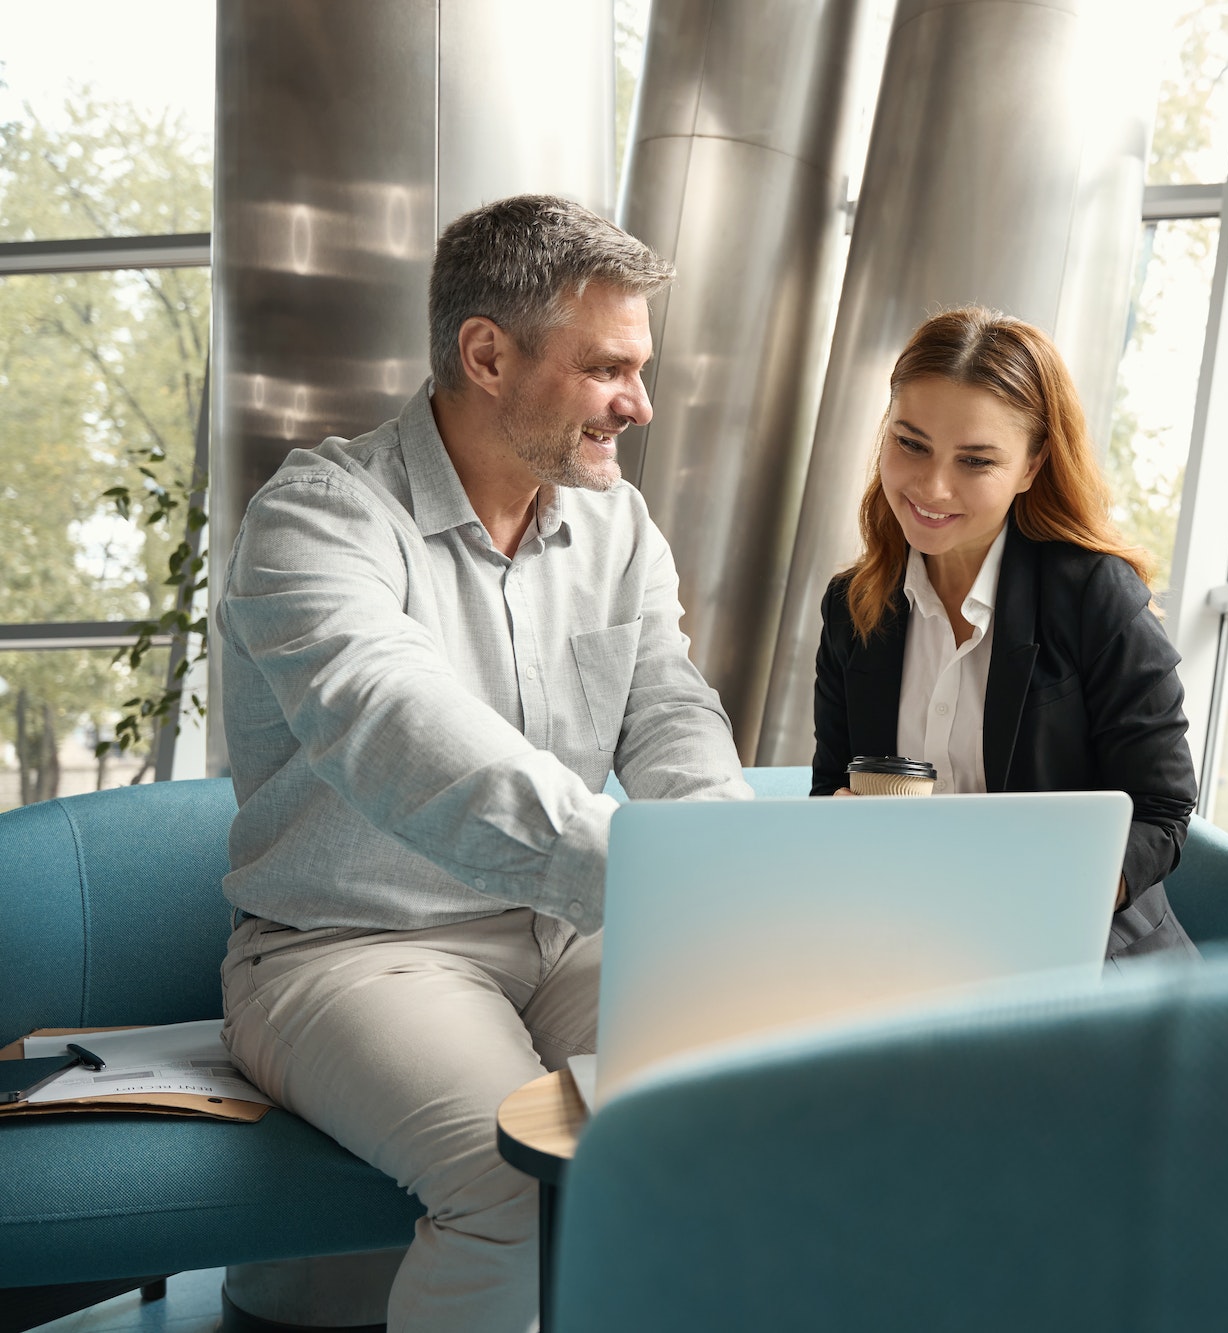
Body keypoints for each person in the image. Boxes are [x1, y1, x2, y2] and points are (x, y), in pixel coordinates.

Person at [214, 195, 750, 1331]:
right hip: (354, 951)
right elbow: (403, 732)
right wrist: (666, 880)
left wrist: (725, 857)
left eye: (639, 368)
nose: (638, 404)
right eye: (607, 366)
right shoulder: (319, 520)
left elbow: (669, 715)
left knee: (738, 1117)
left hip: (567, 934)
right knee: (516, 1180)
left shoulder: (619, 530)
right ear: (487, 353)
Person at [811, 306, 1200, 964]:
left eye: (976, 461)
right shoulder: (855, 608)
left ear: (1030, 466)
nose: (933, 486)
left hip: (1084, 963)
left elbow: (1161, 808)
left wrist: (1063, 892)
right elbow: (831, 788)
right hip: (910, 951)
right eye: (910, 443)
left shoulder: (1096, 596)